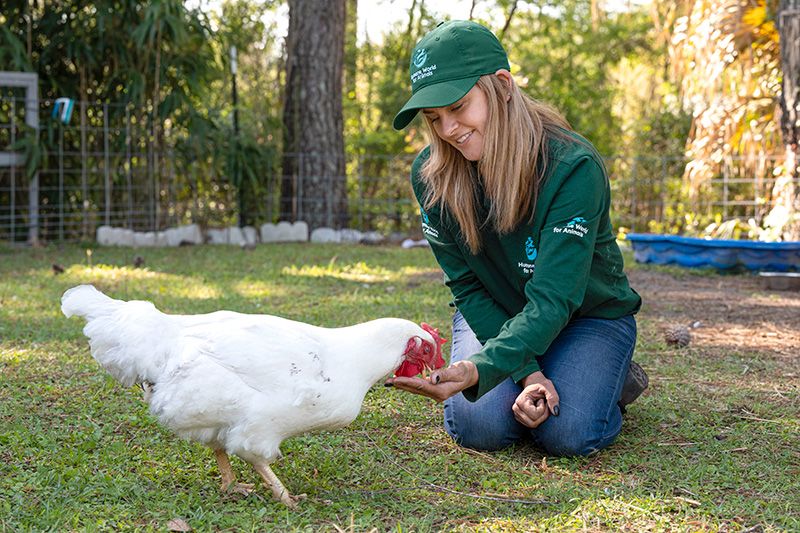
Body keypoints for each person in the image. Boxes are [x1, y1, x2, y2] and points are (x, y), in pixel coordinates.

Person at [386, 20, 647, 457]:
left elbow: (553, 300)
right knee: (480, 429)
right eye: (435, 118)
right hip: (498, 312)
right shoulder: (430, 176)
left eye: (459, 107)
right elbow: (467, 285)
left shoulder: (572, 166)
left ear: (502, 85)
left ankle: (610, 379)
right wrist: (525, 372)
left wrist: (479, 369)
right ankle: (555, 372)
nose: (449, 129)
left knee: (569, 433)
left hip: (586, 316)